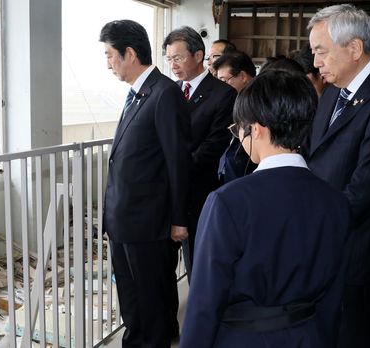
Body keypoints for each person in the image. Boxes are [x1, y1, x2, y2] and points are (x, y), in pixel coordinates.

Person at [180, 69, 352, 348]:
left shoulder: (227, 202)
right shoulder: (336, 202)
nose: (238, 137)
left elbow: (205, 300)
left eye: (238, 129)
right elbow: (334, 298)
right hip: (309, 337)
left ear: (256, 129)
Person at [100, 19, 191, 348]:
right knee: (131, 297)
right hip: (125, 220)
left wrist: (180, 219)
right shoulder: (138, 95)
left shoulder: (164, 95)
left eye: (110, 55)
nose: (108, 63)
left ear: (129, 53)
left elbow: (178, 162)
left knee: (150, 300)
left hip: (148, 222)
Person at [306, 4, 370, 347]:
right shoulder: (332, 92)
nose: (316, 62)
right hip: (326, 241)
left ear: (355, 48)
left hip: (357, 249)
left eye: (321, 51)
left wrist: (314, 225)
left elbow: (364, 188)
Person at [163, 26, 237, 283]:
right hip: (168, 191)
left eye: (178, 58)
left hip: (198, 189)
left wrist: (178, 169)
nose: (173, 65)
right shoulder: (169, 91)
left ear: (197, 55)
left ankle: (199, 314)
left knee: (198, 261)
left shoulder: (223, 93)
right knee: (163, 266)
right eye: (169, 59)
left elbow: (216, 142)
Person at [213, 51, 257, 184]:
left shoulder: (259, 102)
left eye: (224, 80)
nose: (220, 86)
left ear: (243, 76)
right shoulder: (230, 103)